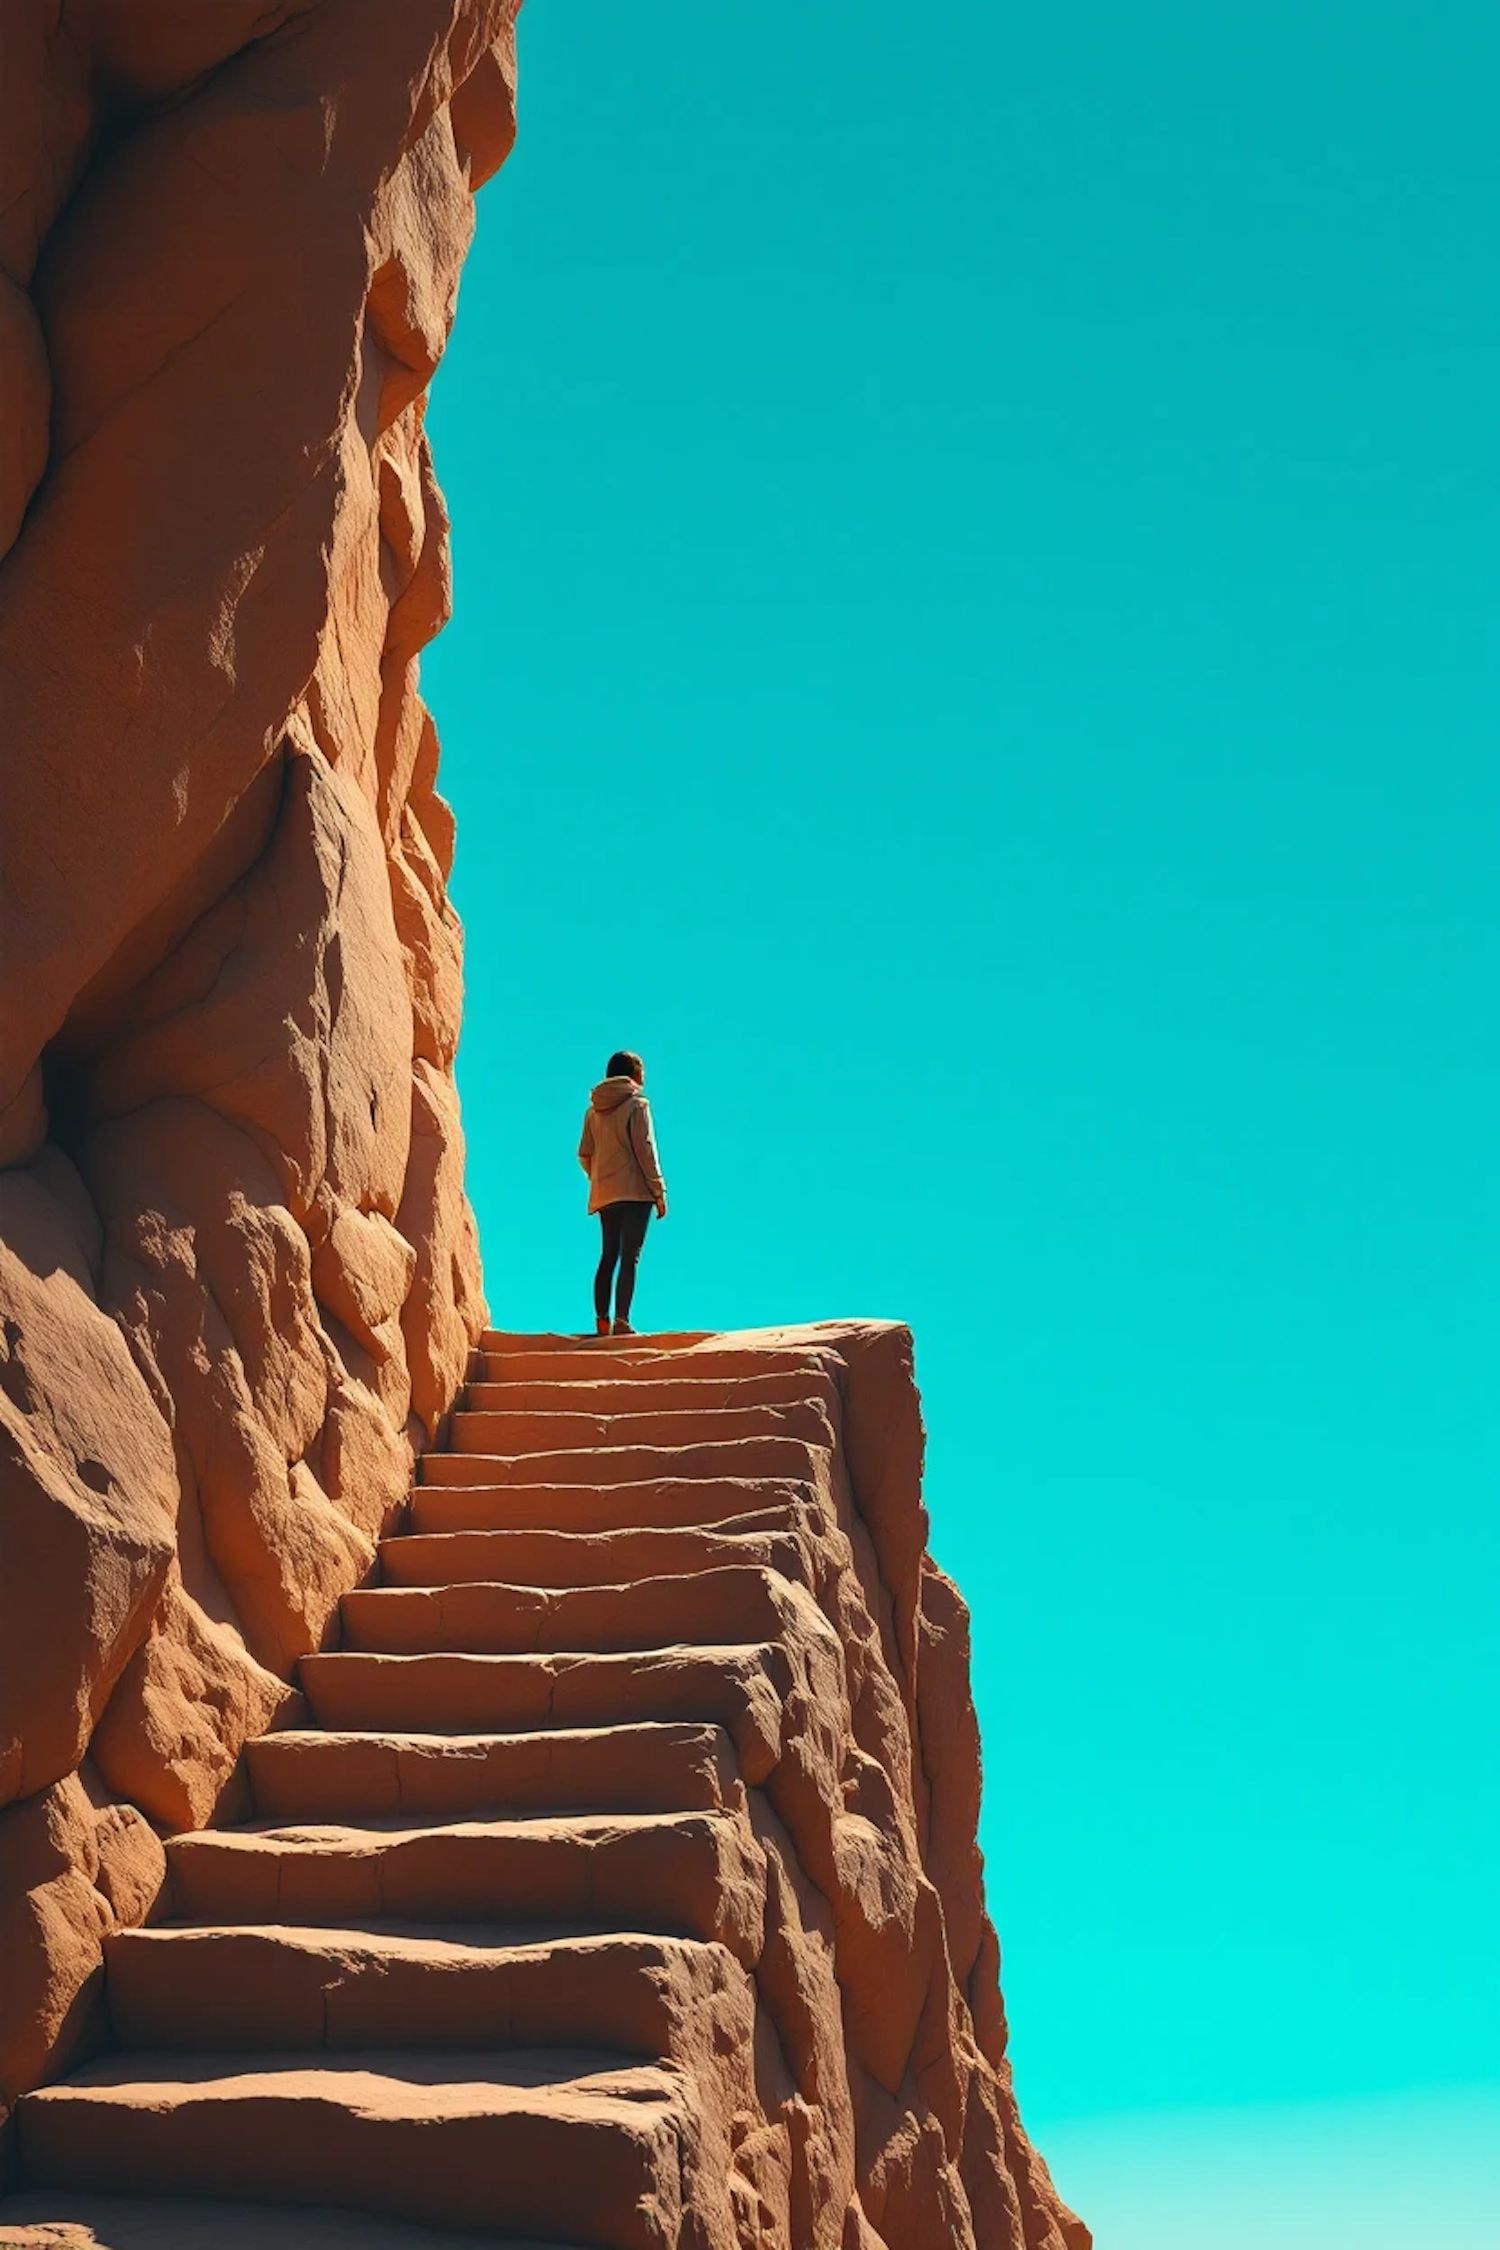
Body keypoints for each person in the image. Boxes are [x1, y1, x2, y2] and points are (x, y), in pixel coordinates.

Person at [578, 1050, 668, 1336]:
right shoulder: (637, 1104)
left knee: (608, 1254)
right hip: (634, 1191)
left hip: (605, 1192)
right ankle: (622, 1321)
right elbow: (645, 1149)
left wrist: (599, 1177)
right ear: (634, 1074)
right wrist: (658, 1189)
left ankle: (601, 1320)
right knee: (631, 1255)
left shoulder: (593, 1111)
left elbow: (584, 1153)